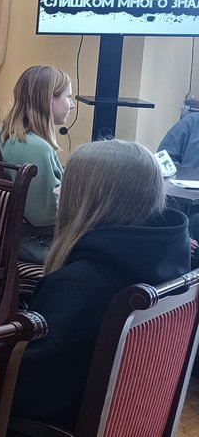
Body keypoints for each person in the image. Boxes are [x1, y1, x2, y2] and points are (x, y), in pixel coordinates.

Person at [11, 139, 190, 429]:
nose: (57, 190)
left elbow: (24, 389)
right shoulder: (172, 265)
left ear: (94, 199)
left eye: (67, 183)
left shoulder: (79, 286)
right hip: (132, 421)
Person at [0, 65, 74, 263]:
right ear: (49, 99)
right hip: (32, 241)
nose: (72, 105)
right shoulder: (36, 148)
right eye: (68, 97)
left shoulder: (1, 132)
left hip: (1, 234)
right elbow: (45, 217)